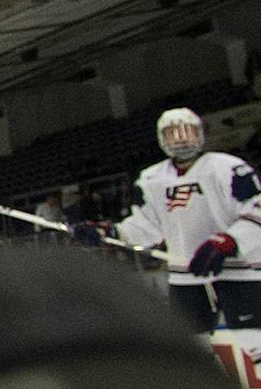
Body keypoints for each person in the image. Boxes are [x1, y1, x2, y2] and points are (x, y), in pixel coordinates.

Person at [109, 107, 261, 350]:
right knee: (192, 349)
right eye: (172, 133)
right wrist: (111, 233)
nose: (180, 139)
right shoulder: (150, 179)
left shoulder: (228, 167)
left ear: (200, 134)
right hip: (186, 276)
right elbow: (146, 226)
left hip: (238, 270)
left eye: (187, 131)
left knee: (255, 342)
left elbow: (257, 210)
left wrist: (229, 242)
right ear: (161, 139)